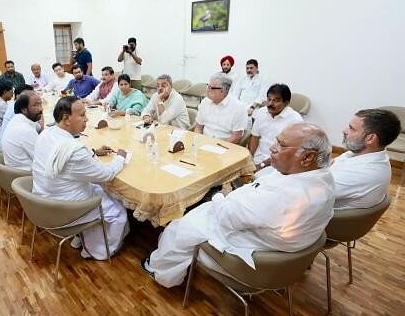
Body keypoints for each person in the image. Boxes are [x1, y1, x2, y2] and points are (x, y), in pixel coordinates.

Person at [142, 123, 335, 288]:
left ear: (307, 157)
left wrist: (221, 196)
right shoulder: (322, 179)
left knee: (178, 228)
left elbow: (226, 217)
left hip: (249, 254)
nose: (272, 148)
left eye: (281, 145)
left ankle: (158, 270)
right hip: (275, 244)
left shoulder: (284, 196)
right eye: (275, 141)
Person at [32, 96, 129, 260]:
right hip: (66, 210)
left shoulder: (46, 134)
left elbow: (65, 157)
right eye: (82, 115)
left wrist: (92, 152)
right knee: (118, 210)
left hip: (42, 201)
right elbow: (106, 175)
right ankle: (98, 251)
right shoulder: (76, 151)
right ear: (66, 118)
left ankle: (81, 238)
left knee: (98, 190)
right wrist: (120, 158)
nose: (87, 119)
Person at [331, 109, 401, 210]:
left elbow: (305, 195)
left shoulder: (356, 174)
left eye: (352, 128)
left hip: (324, 221)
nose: (345, 131)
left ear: (370, 138)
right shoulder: (364, 153)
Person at [249, 84, 302, 170]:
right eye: (269, 99)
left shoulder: (295, 120)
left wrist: (262, 165)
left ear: (286, 103)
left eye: (276, 101)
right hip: (258, 157)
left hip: (278, 163)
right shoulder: (261, 112)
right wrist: (250, 158)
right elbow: (255, 137)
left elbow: (288, 152)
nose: (270, 104)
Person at [194, 73, 248, 144]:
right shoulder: (205, 102)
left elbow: (236, 137)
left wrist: (217, 147)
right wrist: (198, 142)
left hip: (224, 146)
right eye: (208, 86)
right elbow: (198, 127)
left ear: (223, 90)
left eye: (211, 88)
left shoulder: (238, 108)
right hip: (204, 143)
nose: (207, 90)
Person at [1, 91, 43, 171]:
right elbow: (43, 160)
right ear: (24, 109)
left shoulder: (18, 118)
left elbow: (39, 127)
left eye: (40, 104)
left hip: (15, 170)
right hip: (26, 175)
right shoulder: (27, 131)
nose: (41, 109)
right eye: (35, 105)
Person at [0, 84, 35, 150]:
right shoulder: (20, 110)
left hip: (2, 145)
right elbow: (39, 128)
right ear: (18, 96)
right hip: (3, 151)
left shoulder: (11, 104)